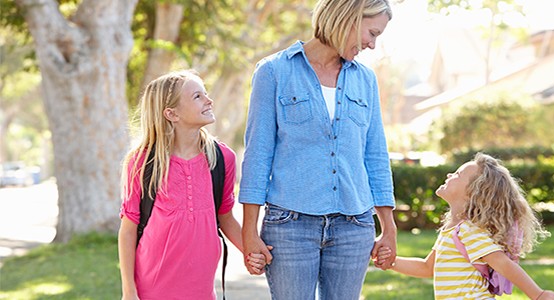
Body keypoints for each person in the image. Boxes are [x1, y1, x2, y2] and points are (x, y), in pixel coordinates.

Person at [238, 0, 397, 299]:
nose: (372, 45)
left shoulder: (365, 80)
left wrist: (388, 225)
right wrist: (249, 231)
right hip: (290, 226)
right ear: (348, 18)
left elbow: (375, 155)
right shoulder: (273, 72)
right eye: (372, 33)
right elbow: (258, 155)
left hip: (354, 225)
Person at [117, 70, 265, 300]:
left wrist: (250, 252)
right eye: (198, 96)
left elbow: (225, 217)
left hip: (201, 288)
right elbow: (127, 231)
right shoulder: (142, 163)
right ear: (171, 113)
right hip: (151, 287)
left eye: (205, 94)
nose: (209, 100)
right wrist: (129, 291)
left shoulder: (222, 158)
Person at [375, 153, 554, 300]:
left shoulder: (468, 231)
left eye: (457, 174)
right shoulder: (452, 230)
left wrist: (537, 294)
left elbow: (502, 263)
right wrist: (391, 262)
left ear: (474, 192)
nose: (449, 175)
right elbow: (427, 267)